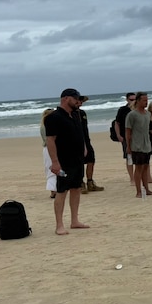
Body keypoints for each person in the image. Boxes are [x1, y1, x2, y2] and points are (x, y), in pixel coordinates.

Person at [45, 88, 89, 235]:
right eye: (75, 98)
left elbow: (81, 133)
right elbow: (50, 140)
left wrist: (84, 147)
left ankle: (74, 220)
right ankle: (59, 225)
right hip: (63, 160)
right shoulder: (53, 117)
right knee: (62, 190)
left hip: (77, 159)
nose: (78, 101)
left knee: (76, 188)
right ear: (65, 98)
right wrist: (55, 162)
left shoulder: (76, 115)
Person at [125, 92, 152, 198]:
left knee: (146, 167)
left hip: (147, 145)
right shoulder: (132, 115)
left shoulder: (148, 114)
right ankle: (138, 191)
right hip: (136, 145)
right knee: (138, 168)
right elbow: (128, 132)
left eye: (147, 100)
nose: (146, 102)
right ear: (138, 101)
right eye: (143, 100)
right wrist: (128, 146)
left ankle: (146, 189)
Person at [76, 95, 104, 193]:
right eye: (79, 101)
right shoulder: (70, 114)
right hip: (76, 142)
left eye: (81, 101)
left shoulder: (82, 113)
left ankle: (90, 182)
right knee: (79, 163)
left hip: (86, 140)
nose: (81, 103)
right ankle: (80, 183)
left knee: (91, 160)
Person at [114, 92, 136, 184]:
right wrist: (118, 135)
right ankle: (132, 178)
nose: (133, 101)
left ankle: (141, 177)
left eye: (135, 99)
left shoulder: (139, 109)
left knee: (141, 157)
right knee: (129, 157)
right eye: (131, 99)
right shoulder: (122, 110)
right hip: (126, 137)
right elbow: (117, 123)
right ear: (127, 100)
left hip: (138, 137)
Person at [40, 108, 57, 198]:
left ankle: (53, 190)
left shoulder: (43, 126)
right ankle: (54, 190)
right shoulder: (48, 126)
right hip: (50, 148)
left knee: (49, 169)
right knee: (53, 169)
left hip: (46, 149)